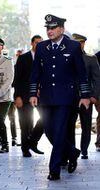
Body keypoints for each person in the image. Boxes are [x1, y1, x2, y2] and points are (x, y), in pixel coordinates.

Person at [29, 14, 90, 181]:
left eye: (53, 28)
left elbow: (81, 73)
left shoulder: (73, 46)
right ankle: (72, 152)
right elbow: (35, 73)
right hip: (46, 98)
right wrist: (33, 93)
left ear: (62, 29)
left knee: (59, 131)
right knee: (49, 131)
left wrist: (85, 95)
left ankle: (54, 170)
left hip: (66, 97)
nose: (49, 31)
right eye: (47, 28)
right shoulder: (41, 47)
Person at [67, 33, 100, 159]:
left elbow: (97, 79)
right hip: (70, 98)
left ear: (83, 43)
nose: (79, 45)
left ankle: (84, 150)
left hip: (86, 98)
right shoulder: (66, 58)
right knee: (69, 125)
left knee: (86, 125)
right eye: (76, 43)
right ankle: (72, 151)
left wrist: (94, 96)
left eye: (81, 42)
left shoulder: (91, 59)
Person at [14, 35, 44, 157]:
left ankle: (33, 141)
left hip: (41, 96)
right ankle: (25, 149)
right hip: (24, 96)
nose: (38, 45)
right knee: (25, 123)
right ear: (32, 43)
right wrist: (17, 96)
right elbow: (17, 79)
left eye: (41, 43)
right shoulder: (23, 58)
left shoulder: (45, 58)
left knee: (45, 118)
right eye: (36, 43)